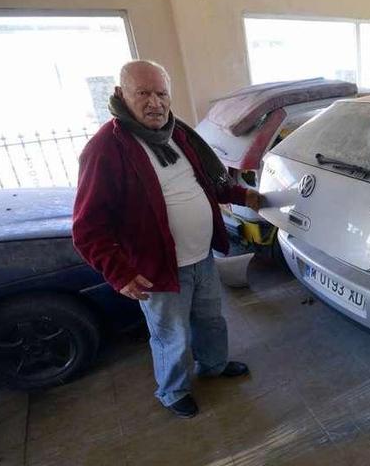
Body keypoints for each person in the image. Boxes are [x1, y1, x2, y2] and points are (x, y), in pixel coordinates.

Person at [72, 60, 261, 418]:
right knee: (171, 335)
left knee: (211, 320)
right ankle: (172, 390)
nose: (155, 103)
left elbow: (206, 184)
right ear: (120, 95)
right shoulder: (105, 149)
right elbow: (87, 227)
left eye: (161, 93)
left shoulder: (179, 134)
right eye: (143, 93)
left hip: (201, 256)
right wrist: (119, 273)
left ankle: (213, 366)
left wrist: (241, 196)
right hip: (156, 268)